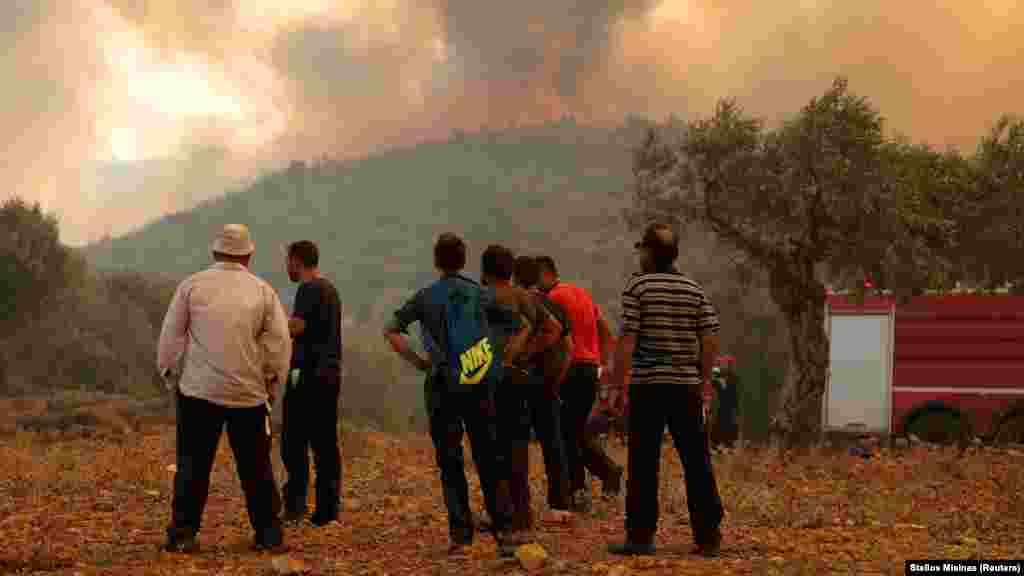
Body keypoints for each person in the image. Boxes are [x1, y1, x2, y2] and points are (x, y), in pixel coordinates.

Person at [383, 233, 521, 555]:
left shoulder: (424, 297)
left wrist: (419, 361)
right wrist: (498, 360)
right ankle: (504, 530)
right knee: (488, 454)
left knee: (450, 458)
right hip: (478, 382)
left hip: (441, 384)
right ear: (463, 260)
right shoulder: (481, 294)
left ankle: (460, 534)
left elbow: (391, 329)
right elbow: (517, 325)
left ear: (437, 261)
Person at [157, 223, 291, 553]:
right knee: (256, 467)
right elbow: (278, 343)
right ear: (248, 255)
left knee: (192, 466)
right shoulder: (263, 291)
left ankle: (183, 535)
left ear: (215, 252)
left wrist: (172, 375)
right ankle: (269, 535)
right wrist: (272, 381)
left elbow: (171, 337)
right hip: (248, 394)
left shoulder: (192, 286)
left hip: (198, 392)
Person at [608, 222, 725, 557]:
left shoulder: (638, 287)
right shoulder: (693, 289)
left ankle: (641, 536)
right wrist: (703, 383)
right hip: (686, 386)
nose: (640, 255)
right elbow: (710, 336)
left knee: (643, 461)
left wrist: (617, 384)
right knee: (697, 460)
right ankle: (708, 536)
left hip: (648, 386)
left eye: (642, 249)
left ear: (649, 252)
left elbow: (628, 338)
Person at [481, 246, 563, 534]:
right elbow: (553, 329)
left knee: (490, 447)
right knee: (516, 445)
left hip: (486, 379)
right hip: (517, 378)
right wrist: (526, 354)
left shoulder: (478, 298)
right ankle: (521, 515)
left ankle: (500, 514)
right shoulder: (523, 297)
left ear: (485, 272)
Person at [536, 255, 623, 510]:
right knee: (573, 431)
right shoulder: (582, 294)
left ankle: (580, 488)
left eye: (535, 276)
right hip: (589, 369)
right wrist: (603, 366)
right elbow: (606, 331)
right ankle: (603, 475)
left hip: (569, 369)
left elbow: (554, 338)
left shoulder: (552, 299)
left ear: (545, 273)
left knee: (564, 434)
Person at [280, 240, 343, 527]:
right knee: (326, 444)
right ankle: (328, 510)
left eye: (287, 260)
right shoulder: (330, 289)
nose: (286, 266)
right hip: (330, 375)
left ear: (297, 260)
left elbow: (298, 326)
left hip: (305, 376)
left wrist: (273, 325)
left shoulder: (309, 289)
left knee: (293, 442)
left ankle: (295, 506)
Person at [512, 255, 573, 513]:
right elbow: (569, 348)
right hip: (548, 381)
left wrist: (525, 355)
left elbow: (553, 332)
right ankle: (560, 504)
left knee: (515, 444)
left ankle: (519, 506)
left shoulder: (516, 304)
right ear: (538, 277)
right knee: (553, 443)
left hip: (520, 378)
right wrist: (557, 378)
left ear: (514, 278)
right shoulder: (555, 305)